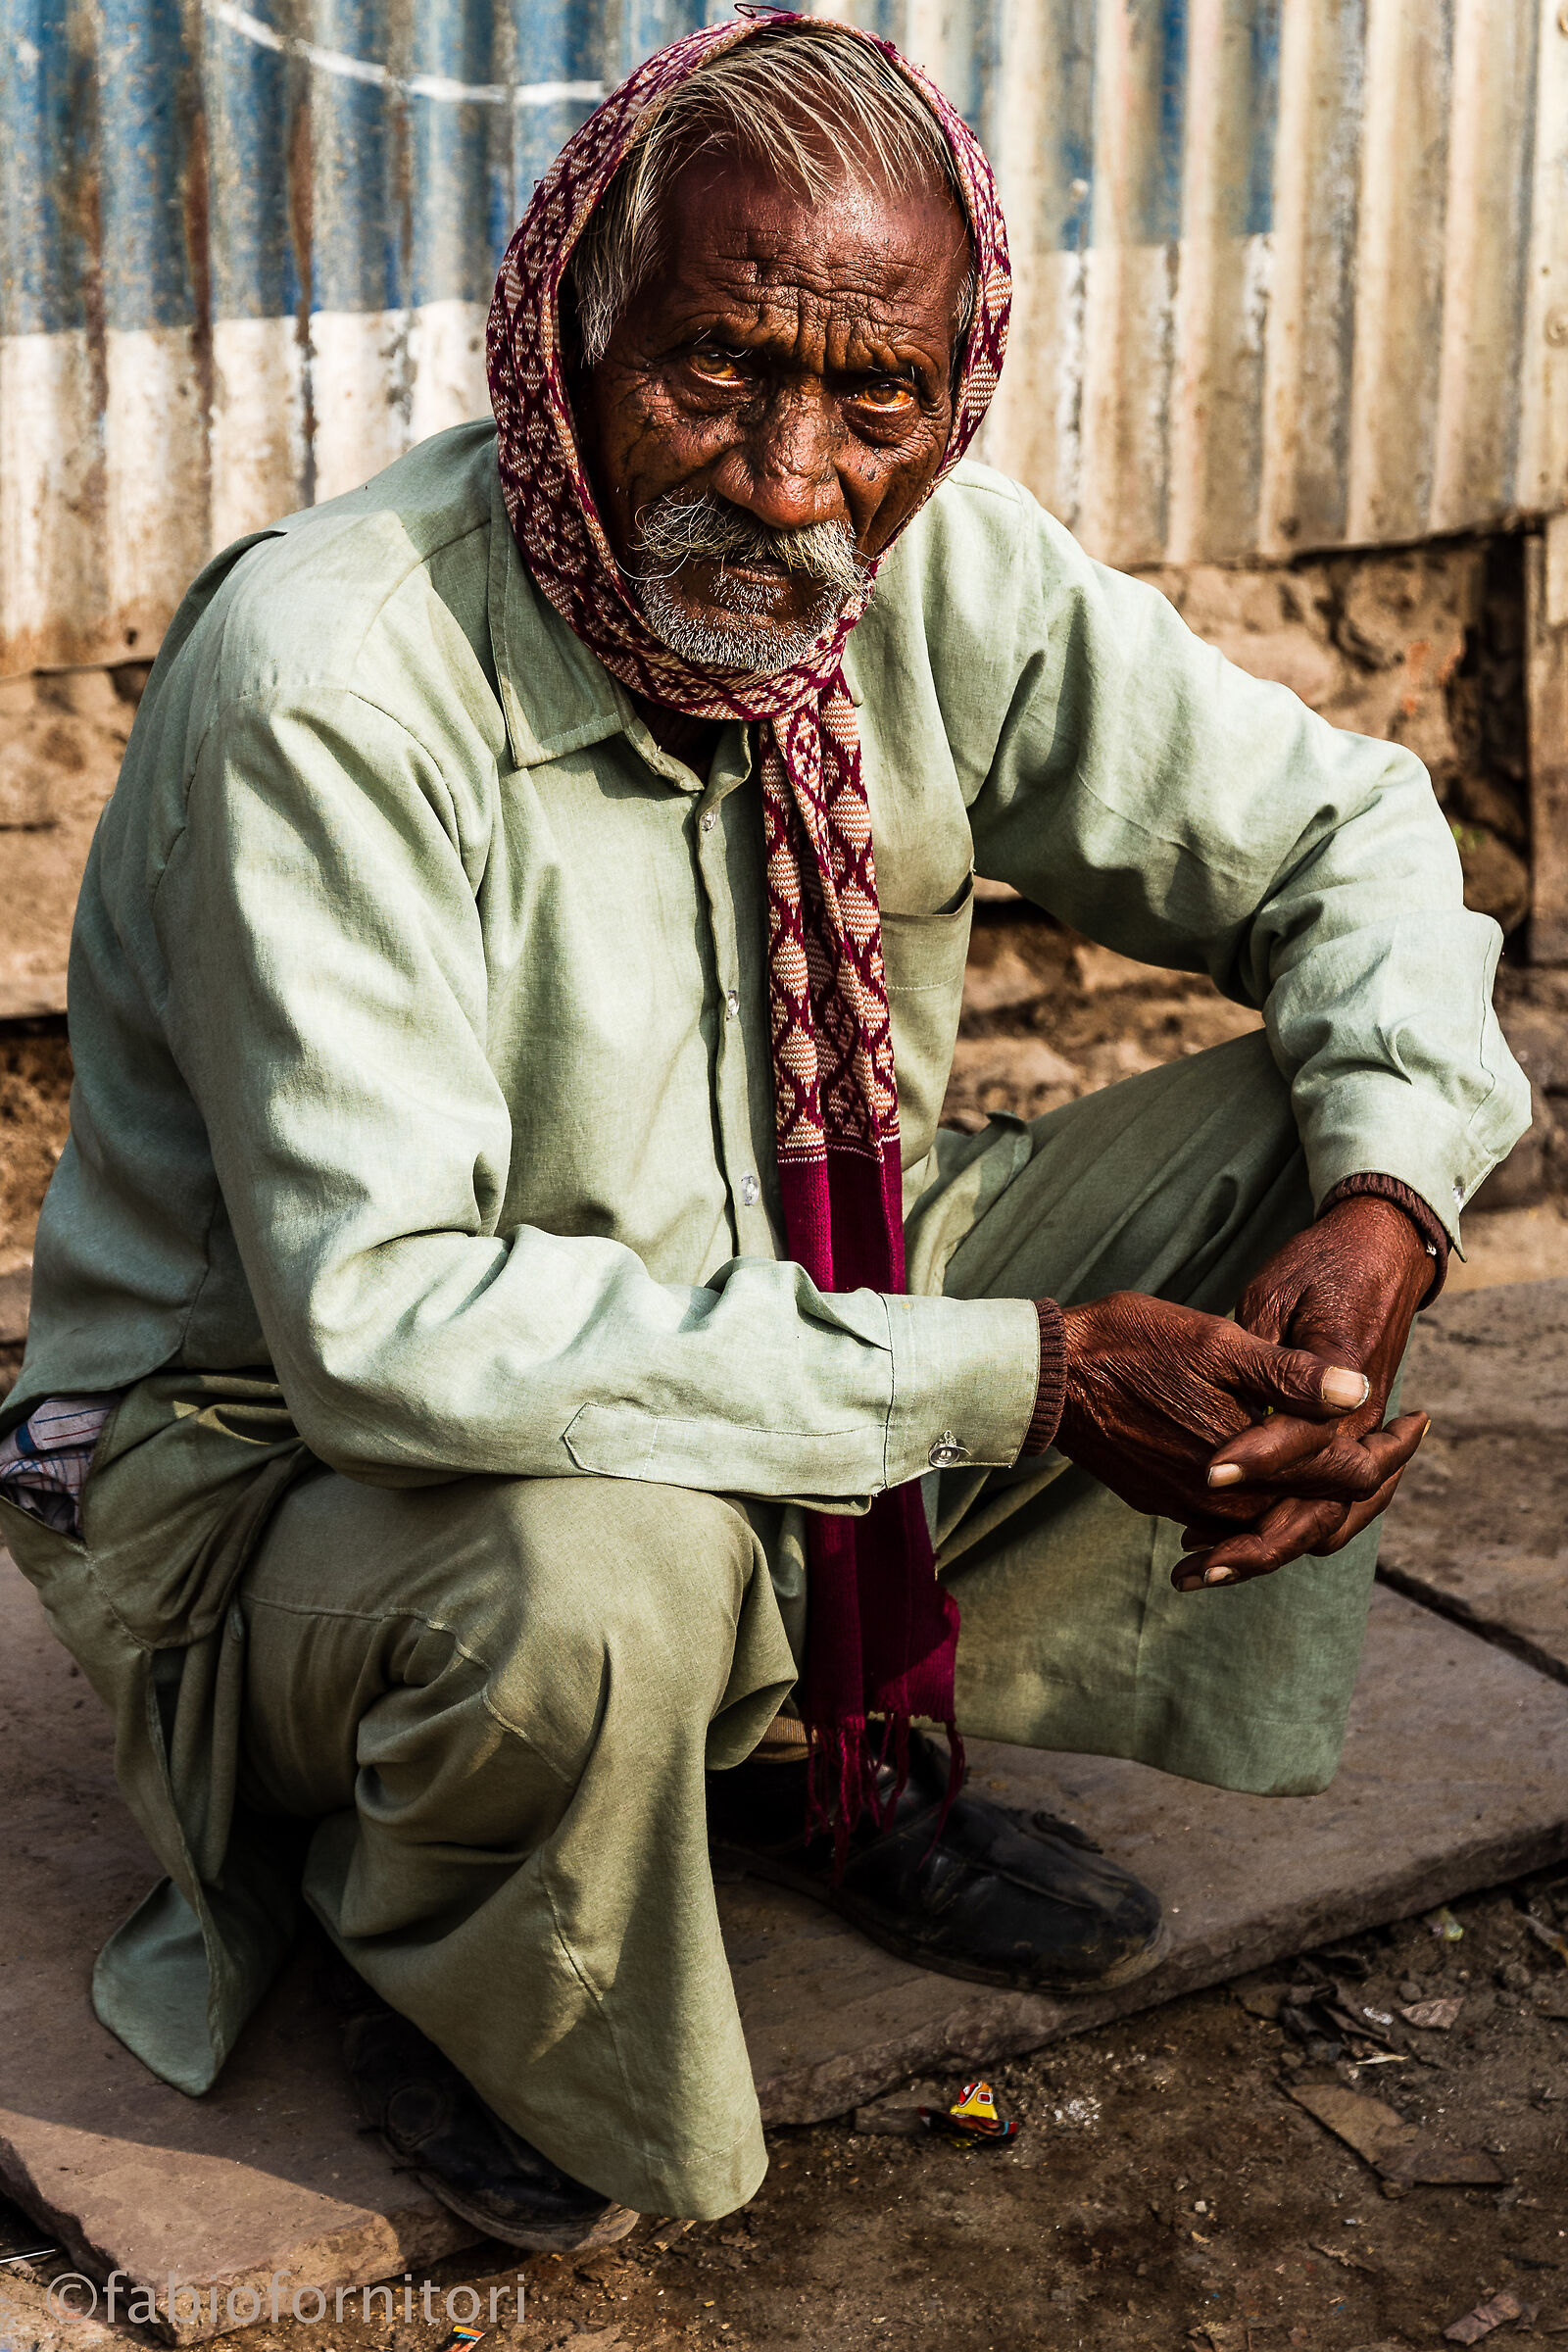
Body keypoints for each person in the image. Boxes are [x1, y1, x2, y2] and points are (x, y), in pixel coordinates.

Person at [0, 8, 1528, 2253]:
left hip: (773, 1321)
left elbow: (1349, 839)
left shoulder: (931, 571)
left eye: (872, 397)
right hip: (288, 1474)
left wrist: (1387, 1202)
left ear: (949, 384)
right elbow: (391, 1329)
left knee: (1310, 1138)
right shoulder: (333, 680)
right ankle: (433, 1944)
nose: (792, 478)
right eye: (711, 374)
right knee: (590, 1574)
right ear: (566, 328)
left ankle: (826, 1748)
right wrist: (1024, 1367)